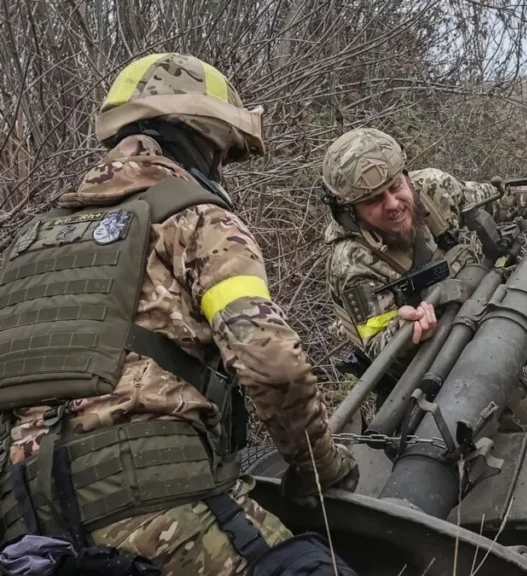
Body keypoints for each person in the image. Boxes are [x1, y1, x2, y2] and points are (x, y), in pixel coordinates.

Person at [0, 53, 358, 575]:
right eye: (222, 154)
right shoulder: (195, 217)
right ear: (201, 139)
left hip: (24, 533)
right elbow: (271, 362)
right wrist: (319, 467)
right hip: (155, 507)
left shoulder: (29, 242)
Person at [321, 128, 527, 421]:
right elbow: (378, 346)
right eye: (373, 200)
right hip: (420, 389)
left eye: (395, 186)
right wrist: (405, 329)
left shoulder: (434, 189)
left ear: (406, 176)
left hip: (482, 342)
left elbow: (504, 200)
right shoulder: (351, 263)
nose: (393, 204)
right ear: (350, 212)